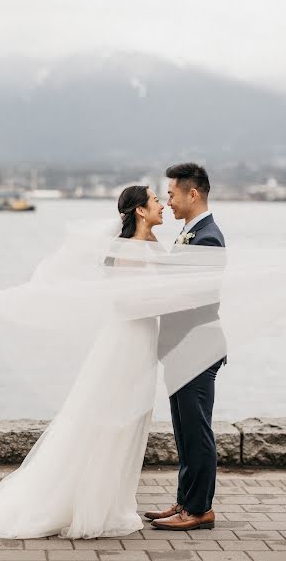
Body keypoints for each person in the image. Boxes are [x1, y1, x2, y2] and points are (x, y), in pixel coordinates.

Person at [0, 186, 170, 539]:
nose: (162, 205)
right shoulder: (130, 252)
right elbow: (126, 303)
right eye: (155, 200)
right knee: (113, 419)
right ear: (139, 210)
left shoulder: (151, 245)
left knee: (134, 418)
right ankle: (93, 507)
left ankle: (116, 502)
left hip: (143, 340)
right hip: (127, 342)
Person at [145, 163, 225, 531]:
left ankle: (199, 509)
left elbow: (192, 295)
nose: (169, 201)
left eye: (173, 194)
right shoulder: (188, 234)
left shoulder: (208, 237)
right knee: (184, 430)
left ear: (193, 194)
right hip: (181, 348)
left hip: (197, 348)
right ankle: (184, 500)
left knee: (197, 431)